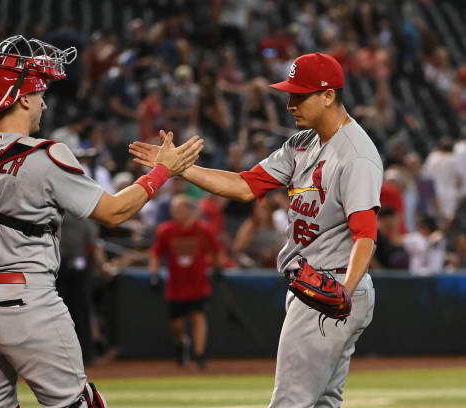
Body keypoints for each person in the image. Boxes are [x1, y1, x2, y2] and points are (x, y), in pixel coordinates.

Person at [0, 35, 203, 408]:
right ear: (23, 99)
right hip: (26, 299)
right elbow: (114, 211)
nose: (43, 104)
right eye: (40, 94)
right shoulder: (46, 155)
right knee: (78, 403)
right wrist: (161, 172)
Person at [131, 52, 382, 407]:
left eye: (300, 96)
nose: (290, 104)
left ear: (328, 95)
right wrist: (178, 169)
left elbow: (366, 235)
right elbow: (244, 185)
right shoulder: (303, 143)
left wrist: (344, 291)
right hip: (319, 286)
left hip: (330, 287)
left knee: (289, 402)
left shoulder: (356, 155)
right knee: (323, 403)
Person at [149, 194, 221, 369]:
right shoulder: (166, 230)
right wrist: (154, 274)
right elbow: (155, 253)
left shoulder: (202, 229)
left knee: (198, 316)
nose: (176, 212)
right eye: (174, 209)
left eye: (180, 209)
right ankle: (181, 342)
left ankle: (199, 354)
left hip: (198, 284)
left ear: (188, 210)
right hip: (176, 286)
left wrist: (218, 268)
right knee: (177, 324)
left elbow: (215, 250)